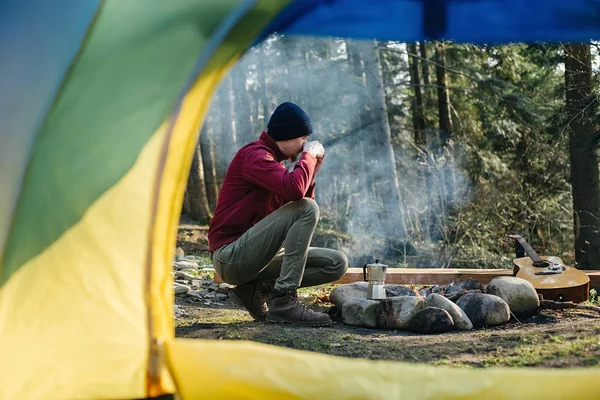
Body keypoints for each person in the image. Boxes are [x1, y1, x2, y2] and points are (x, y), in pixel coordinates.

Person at [207, 102, 348, 327]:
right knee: (307, 209)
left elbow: (299, 204)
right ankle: (284, 301)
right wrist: (308, 157)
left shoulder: (276, 167)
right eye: (303, 138)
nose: (305, 145)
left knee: (336, 263)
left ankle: (254, 291)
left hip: (258, 257)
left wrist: (313, 170)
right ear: (289, 135)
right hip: (231, 256)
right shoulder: (255, 155)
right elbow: (298, 198)